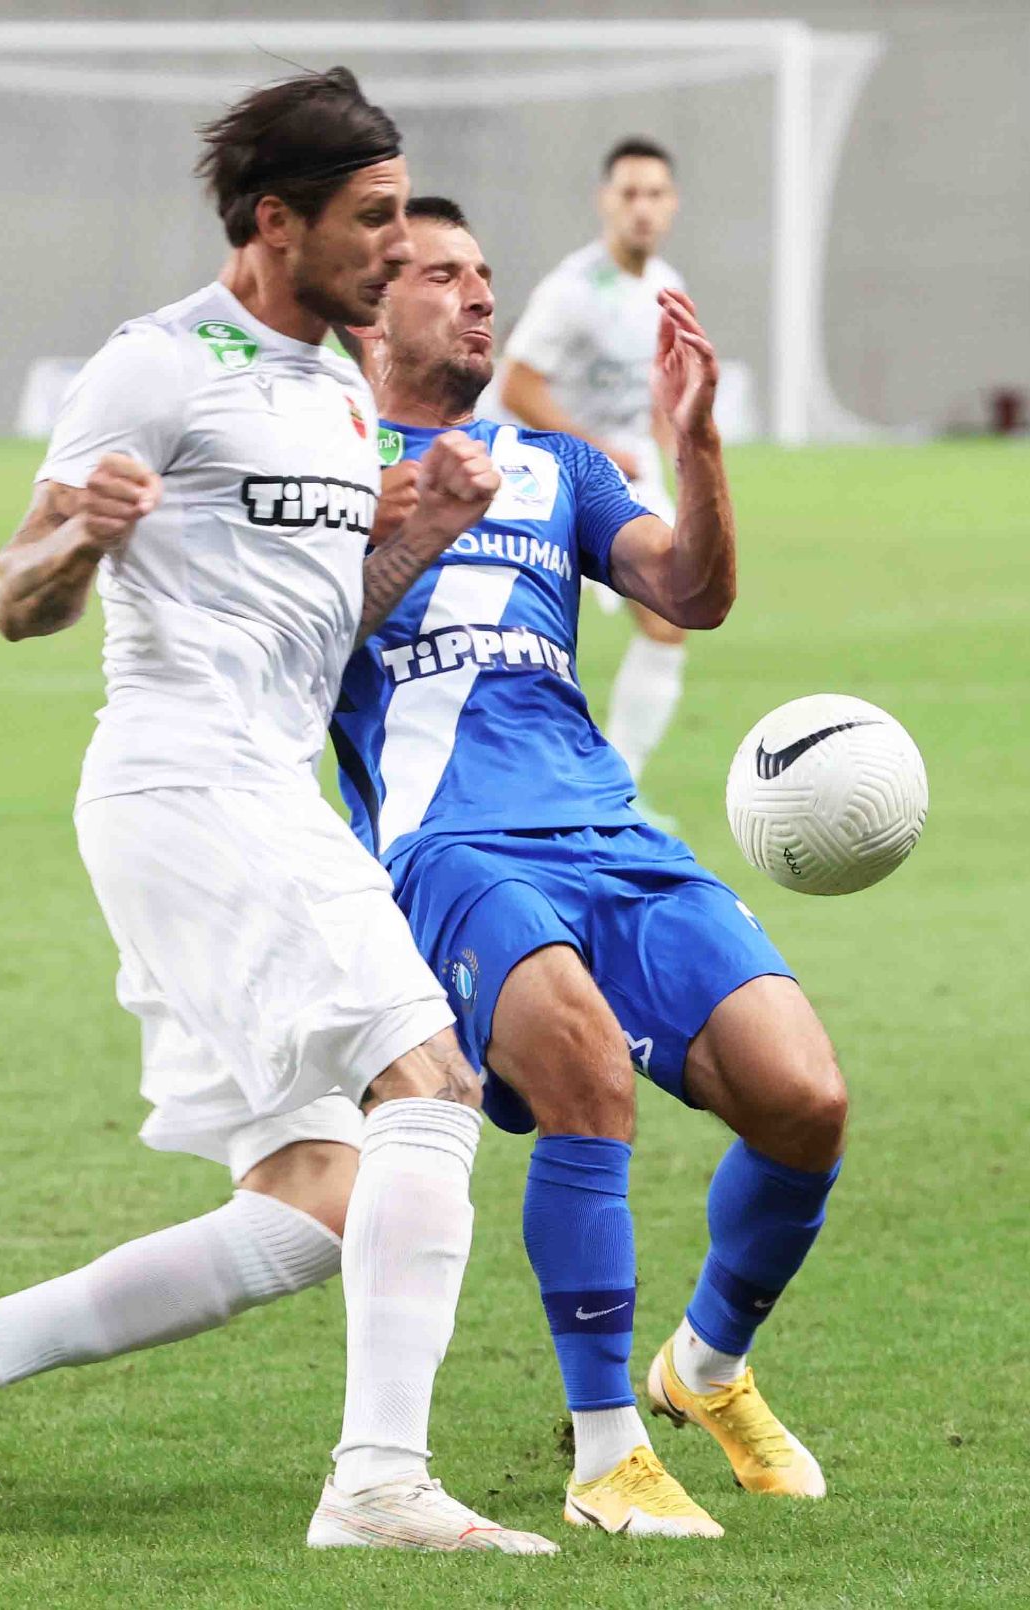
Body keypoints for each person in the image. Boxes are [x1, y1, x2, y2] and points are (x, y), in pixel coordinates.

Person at [0, 71, 554, 1557]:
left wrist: (421, 529)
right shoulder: (156, 364)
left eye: (403, 214)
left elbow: (320, 631)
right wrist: (79, 543)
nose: (398, 246)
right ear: (275, 221)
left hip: (248, 788)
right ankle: (377, 1484)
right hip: (186, 779)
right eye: (372, 218)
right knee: (430, 1076)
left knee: (321, 1201)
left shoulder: (337, 388)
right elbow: (13, 597)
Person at [334, 197, 847, 1538]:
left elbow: (692, 591)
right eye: (440, 275)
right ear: (368, 309)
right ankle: (606, 1448)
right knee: (586, 1075)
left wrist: (695, 446)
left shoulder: (553, 463)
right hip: (447, 843)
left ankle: (707, 1366)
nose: (478, 294)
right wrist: (412, 526)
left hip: (608, 832)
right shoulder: (327, 468)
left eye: (484, 272)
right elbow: (290, 650)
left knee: (805, 1100)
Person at [500, 138, 689, 825]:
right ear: (605, 201)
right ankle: (527, 789)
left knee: (671, 616)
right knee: (528, 639)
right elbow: (517, 387)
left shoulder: (668, 286)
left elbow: (660, 389)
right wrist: (598, 446)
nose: (642, 208)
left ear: (672, 204)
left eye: (655, 194)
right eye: (629, 193)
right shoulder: (572, 290)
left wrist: (673, 447)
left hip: (628, 473)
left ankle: (620, 791)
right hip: (548, 474)